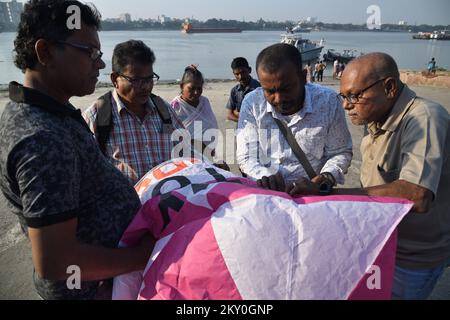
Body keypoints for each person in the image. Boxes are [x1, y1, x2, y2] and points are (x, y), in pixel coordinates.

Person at [0, 0, 154, 300]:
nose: (99, 63)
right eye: (89, 53)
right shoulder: (41, 138)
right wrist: (142, 257)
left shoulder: (49, 110)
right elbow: (57, 262)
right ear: (44, 52)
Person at [292, 52, 450, 300]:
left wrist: (330, 194)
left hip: (411, 257)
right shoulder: (375, 118)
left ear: (388, 87)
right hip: (378, 244)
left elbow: (417, 195)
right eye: (343, 97)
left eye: (355, 96)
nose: (346, 106)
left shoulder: (425, 118)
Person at [236, 43, 353, 191]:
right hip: (267, 194)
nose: (279, 99)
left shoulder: (328, 101)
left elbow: (340, 151)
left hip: (311, 195)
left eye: (286, 89)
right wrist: (264, 175)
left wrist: (325, 178)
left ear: (304, 77)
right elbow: (246, 157)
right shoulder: (252, 103)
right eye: (270, 91)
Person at [83, 40, 185, 185]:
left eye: (149, 79)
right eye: (136, 80)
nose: (145, 87)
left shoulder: (164, 110)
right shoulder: (96, 117)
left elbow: (186, 151)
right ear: (114, 79)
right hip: (123, 206)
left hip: (167, 202)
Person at [170, 65, 221, 161]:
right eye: (191, 88)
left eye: (199, 88)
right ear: (181, 86)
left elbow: (211, 124)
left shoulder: (204, 102)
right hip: (185, 158)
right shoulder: (175, 107)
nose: (196, 92)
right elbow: (173, 137)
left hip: (207, 156)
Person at [226, 57, 261, 123]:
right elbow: (229, 115)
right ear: (233, 74)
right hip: (241, 129)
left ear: (249, 70)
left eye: (243, 72)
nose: (240, 76)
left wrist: (238, 114)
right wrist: (246, 120)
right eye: (237, 74)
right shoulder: (235, 91)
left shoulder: (259, 88)